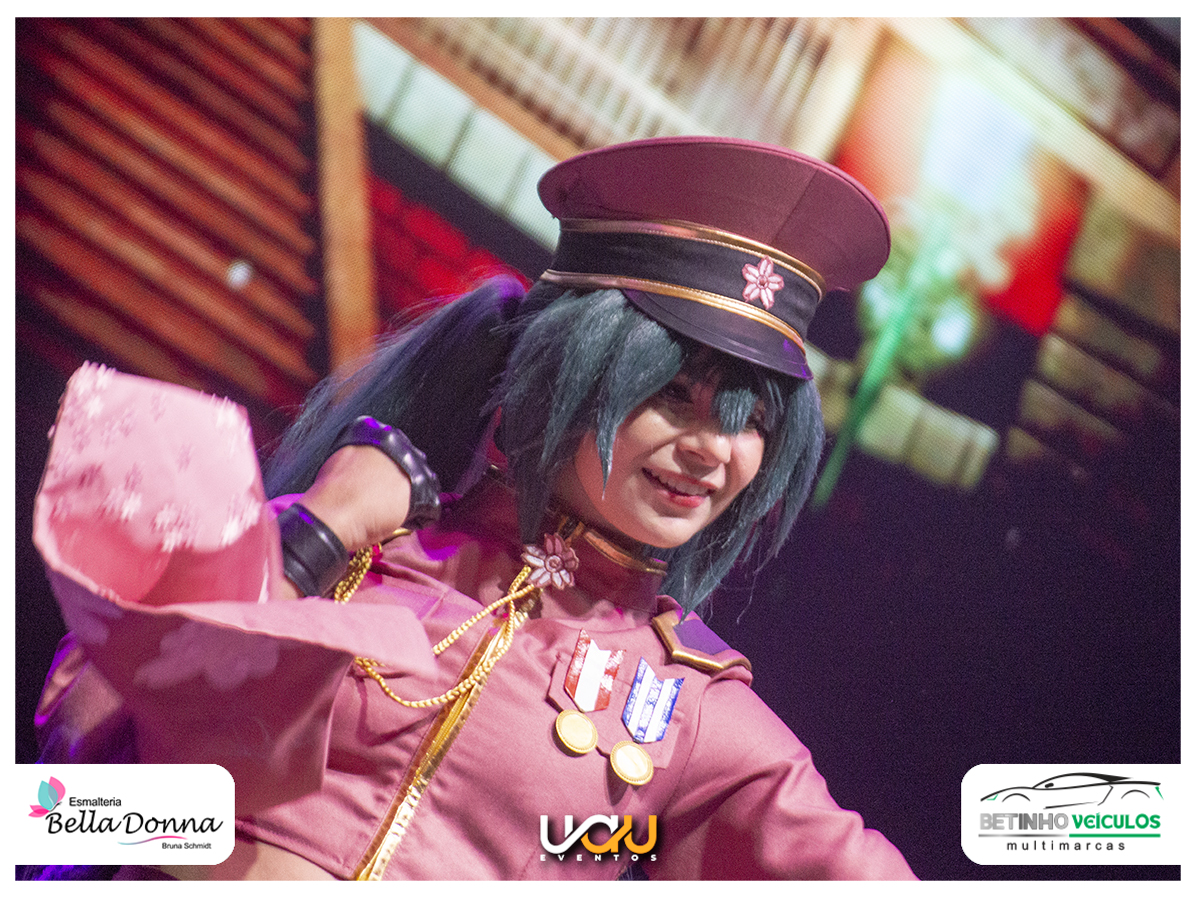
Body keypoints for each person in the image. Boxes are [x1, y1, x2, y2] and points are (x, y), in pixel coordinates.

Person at [30, 137, 915, 879]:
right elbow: (65, 780)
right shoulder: (351, 540)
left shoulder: (692, 709)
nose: (712, 449)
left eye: (750, 421)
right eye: (674, 395)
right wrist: (315, 538)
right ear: (566, 373)